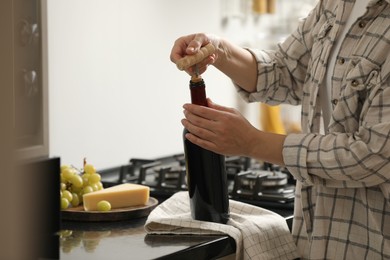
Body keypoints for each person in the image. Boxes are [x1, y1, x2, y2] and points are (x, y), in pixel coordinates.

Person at [170, 0, 390, 259]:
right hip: (316, 237)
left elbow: (375, 154)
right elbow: (285, 72)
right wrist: (218, 49)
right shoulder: (335, 5)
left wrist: (252, 142)